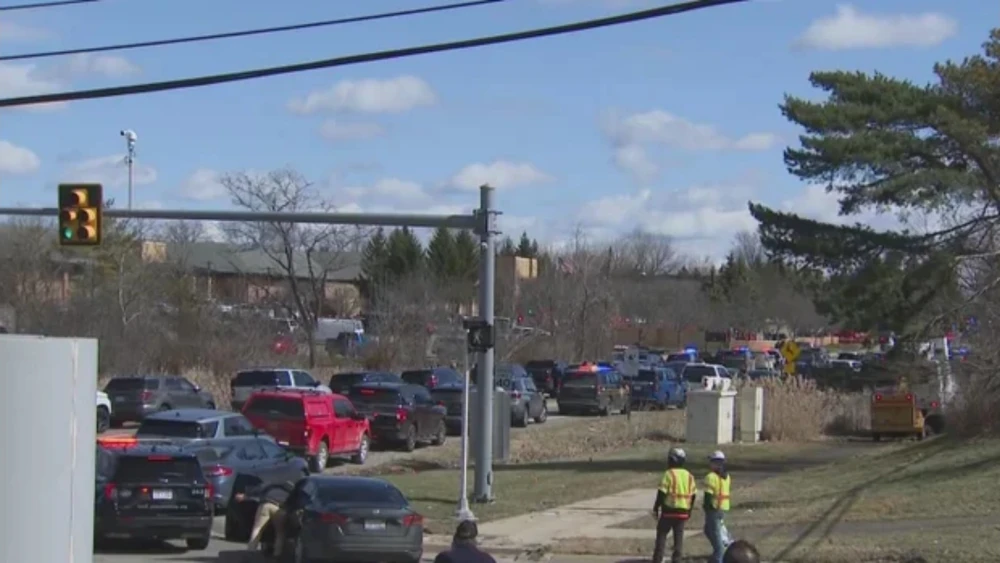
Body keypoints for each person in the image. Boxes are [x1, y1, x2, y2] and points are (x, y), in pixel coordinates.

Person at [651, 447, 696, 563]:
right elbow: (693, 495)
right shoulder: (689, 476)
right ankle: (677, 559)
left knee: (662, 535)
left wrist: (656, 507)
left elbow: (661, 493)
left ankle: (658, 559)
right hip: (683, 513)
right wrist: (689, 510)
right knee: (678, 538)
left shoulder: (668, 474)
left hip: (668, 511)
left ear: (672, 460)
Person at [236, 479, 297, 558]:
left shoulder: (270, 484)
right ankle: (277, 554)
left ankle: (251, 550)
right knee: (280, 532)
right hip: (280, 509)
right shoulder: (291, 489)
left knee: (257, 528)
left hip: (266, 504)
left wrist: (245, 495)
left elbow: (257, 490)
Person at [704, 450, 733, 563]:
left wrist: (706, 507)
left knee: (715, 534)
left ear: (716, 463)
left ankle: (719, 556)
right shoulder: (727, 476)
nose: (709, 464)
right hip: (724, 507)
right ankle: (720, 548)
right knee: (708, 529)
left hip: (714, 508)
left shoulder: (710, 477)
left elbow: (708, 496)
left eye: (711, 461)